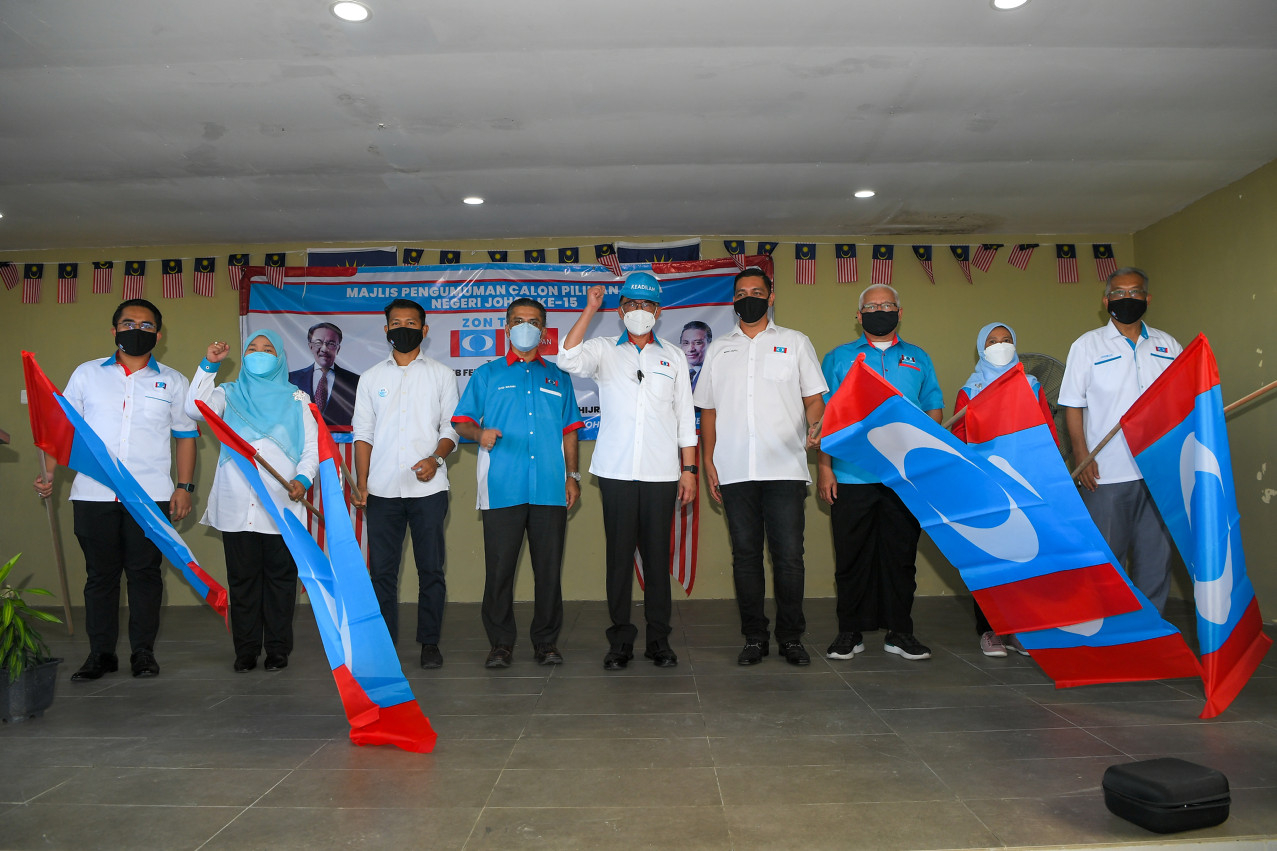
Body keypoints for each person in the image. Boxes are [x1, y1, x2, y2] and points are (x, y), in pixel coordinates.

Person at [33, 299, 198, 681]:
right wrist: (50, 475)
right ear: (114, 330)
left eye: (145, 325)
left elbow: (185, 436)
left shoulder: (172, 380)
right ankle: (100, 654)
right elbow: (62, 431)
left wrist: (184, 487)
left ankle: (143, 653)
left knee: (145, 575)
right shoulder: (87, 375)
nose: (135, 330)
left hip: (149, 495)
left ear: (158, 334)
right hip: (93, 494)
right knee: (100, 577)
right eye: (128, 323)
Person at [559, 273, 698, 670]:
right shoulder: (603, 350)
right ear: (620, 311)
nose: (640, 312)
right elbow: (567, 357)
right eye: (632, 305)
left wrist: (688, 469)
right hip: (616, 472)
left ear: (658, 311)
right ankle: (619, 641)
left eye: (647, 305)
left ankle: (659, 641)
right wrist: (589, 309)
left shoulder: (672, 356)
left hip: (661, 473)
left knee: (657, 560)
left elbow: (685, 419)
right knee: (619, 560)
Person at [693, 268, 826, 666]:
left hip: (784, 468)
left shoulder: (795, 342)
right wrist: (708, 462)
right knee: (746, 557)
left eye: (756, 291)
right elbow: (709, 413)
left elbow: (814, 399)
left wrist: (816, 423)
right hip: (734, 470)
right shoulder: (719, 349)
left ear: (771, 297)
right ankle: (754, 637)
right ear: (732, 300)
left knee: (788, 557)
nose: (748, 297)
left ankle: (791, 638)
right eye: (740, 292)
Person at [451, 298, 585, 668]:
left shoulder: (558, 376)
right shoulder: (487, 374)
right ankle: (500, 644)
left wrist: (572, 477)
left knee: (548, 570)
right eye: (518, 320)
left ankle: (546, 642)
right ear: (506, 327)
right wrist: (479, 434)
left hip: (549, 488)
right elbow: (460, 422)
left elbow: (570, 430)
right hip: (501, 486)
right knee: (500, 570)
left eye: (533, 321)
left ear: (543, 331)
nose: (525, 326)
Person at [818, 284, 943, 663]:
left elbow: (934, 410)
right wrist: (825, 469)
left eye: (887, 304)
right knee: (851, 555)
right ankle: (849, 632)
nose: (879, 310)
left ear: (900, 312)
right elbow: (825, 418)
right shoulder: (839, 358)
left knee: (900, 556)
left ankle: (900, 632)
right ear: (859, 317)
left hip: (904, 478)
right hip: (852, 475)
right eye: (871, 306)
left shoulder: (919, 358)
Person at [187, 331, 318, 672]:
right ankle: (245, 650)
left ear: (279, 359)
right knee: (242, 582)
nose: (259, 354)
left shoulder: (297, 399)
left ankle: (277, 650)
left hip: (282, 504)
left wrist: (303, 479)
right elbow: (194, 409)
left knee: (280, 583)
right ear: (243, 358)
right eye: (252, 349)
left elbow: (311, 449)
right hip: (237, 504)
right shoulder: (227, 394)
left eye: (268, 349)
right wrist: (208, 365)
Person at [1060, 267, 1181, 613]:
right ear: (1105, 299)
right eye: (1118, 293)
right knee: (1106, 560)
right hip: (1107, 472)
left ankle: (1149, 635)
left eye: (1134, 292)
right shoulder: (1087, 345)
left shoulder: (1168, 345)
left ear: (1147, 298)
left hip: (1159, 470)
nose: (1127, 299)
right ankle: (1106, 636)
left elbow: (1181, 400)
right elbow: (1072, 405)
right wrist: (1082, 456)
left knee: (1156, 559)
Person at [351, 299, 460, 668]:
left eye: (411, 323)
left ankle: (429, 643)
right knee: (381, 571)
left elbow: (450, 429)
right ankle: (384, 646)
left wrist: (436, 459)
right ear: (385, 330)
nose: (403, 328)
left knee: (430, 568)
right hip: (381, 490)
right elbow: (362, 434)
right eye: (396, 322)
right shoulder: (370, 378)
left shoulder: (442, 375)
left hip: (429, 491)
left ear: (424, 330)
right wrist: (361, 482)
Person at [950, 322, 1058, 657]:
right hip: (987, 490)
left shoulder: (1031, 384)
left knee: (1026, 560)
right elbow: (959, 439)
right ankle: (990, 630)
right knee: (990, 560)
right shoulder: (971, 390)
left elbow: (1049, 433)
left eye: (1006, 340)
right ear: (982, 348)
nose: (1000, 346)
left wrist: (1051, 478)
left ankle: (1020, 630)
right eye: (993, 341)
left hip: (1027, 486)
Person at [288, 321, 359, 428]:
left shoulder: (355, 381)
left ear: (338, 348)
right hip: (301, 442)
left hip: (340, 443)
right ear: (310, 346)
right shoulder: (292, 379)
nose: (324, 349)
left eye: (331, 343)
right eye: (318, 343)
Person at [680, 320, 712, 391]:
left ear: (709, 344)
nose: (691, 349)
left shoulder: (715, 373)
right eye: (686, 343)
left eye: (698, 343)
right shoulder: (674, 371)